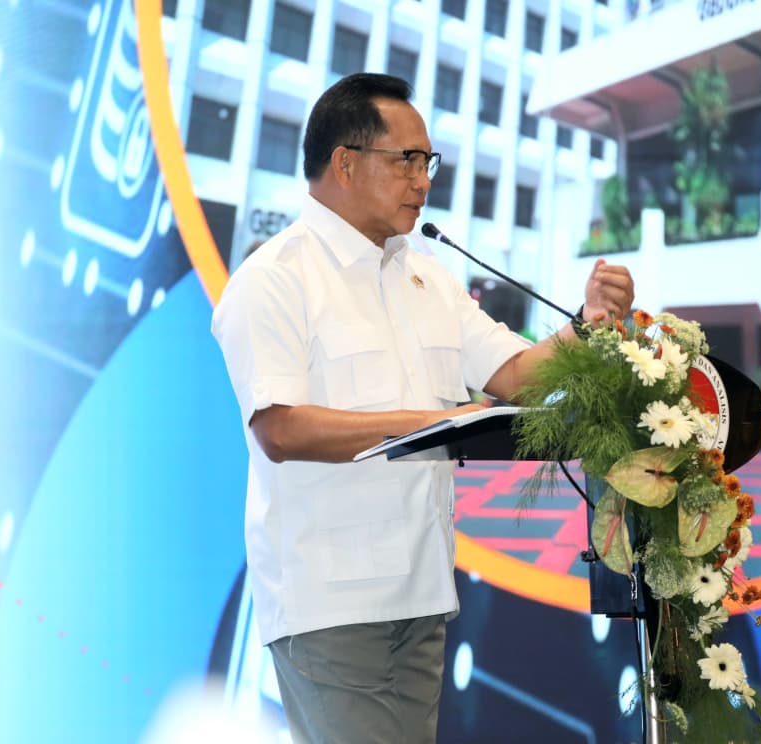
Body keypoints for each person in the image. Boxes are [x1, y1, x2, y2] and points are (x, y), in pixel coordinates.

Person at [211, 72, 634, 743]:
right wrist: (436, 424)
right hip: (329, 600)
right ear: (345, 163)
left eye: (427, 162)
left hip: (422, 591)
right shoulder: (274, 279)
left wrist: (589, 324)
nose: (423, 180)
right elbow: (281, 429)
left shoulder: (428, 277)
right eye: (406, 160)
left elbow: (517, 376)